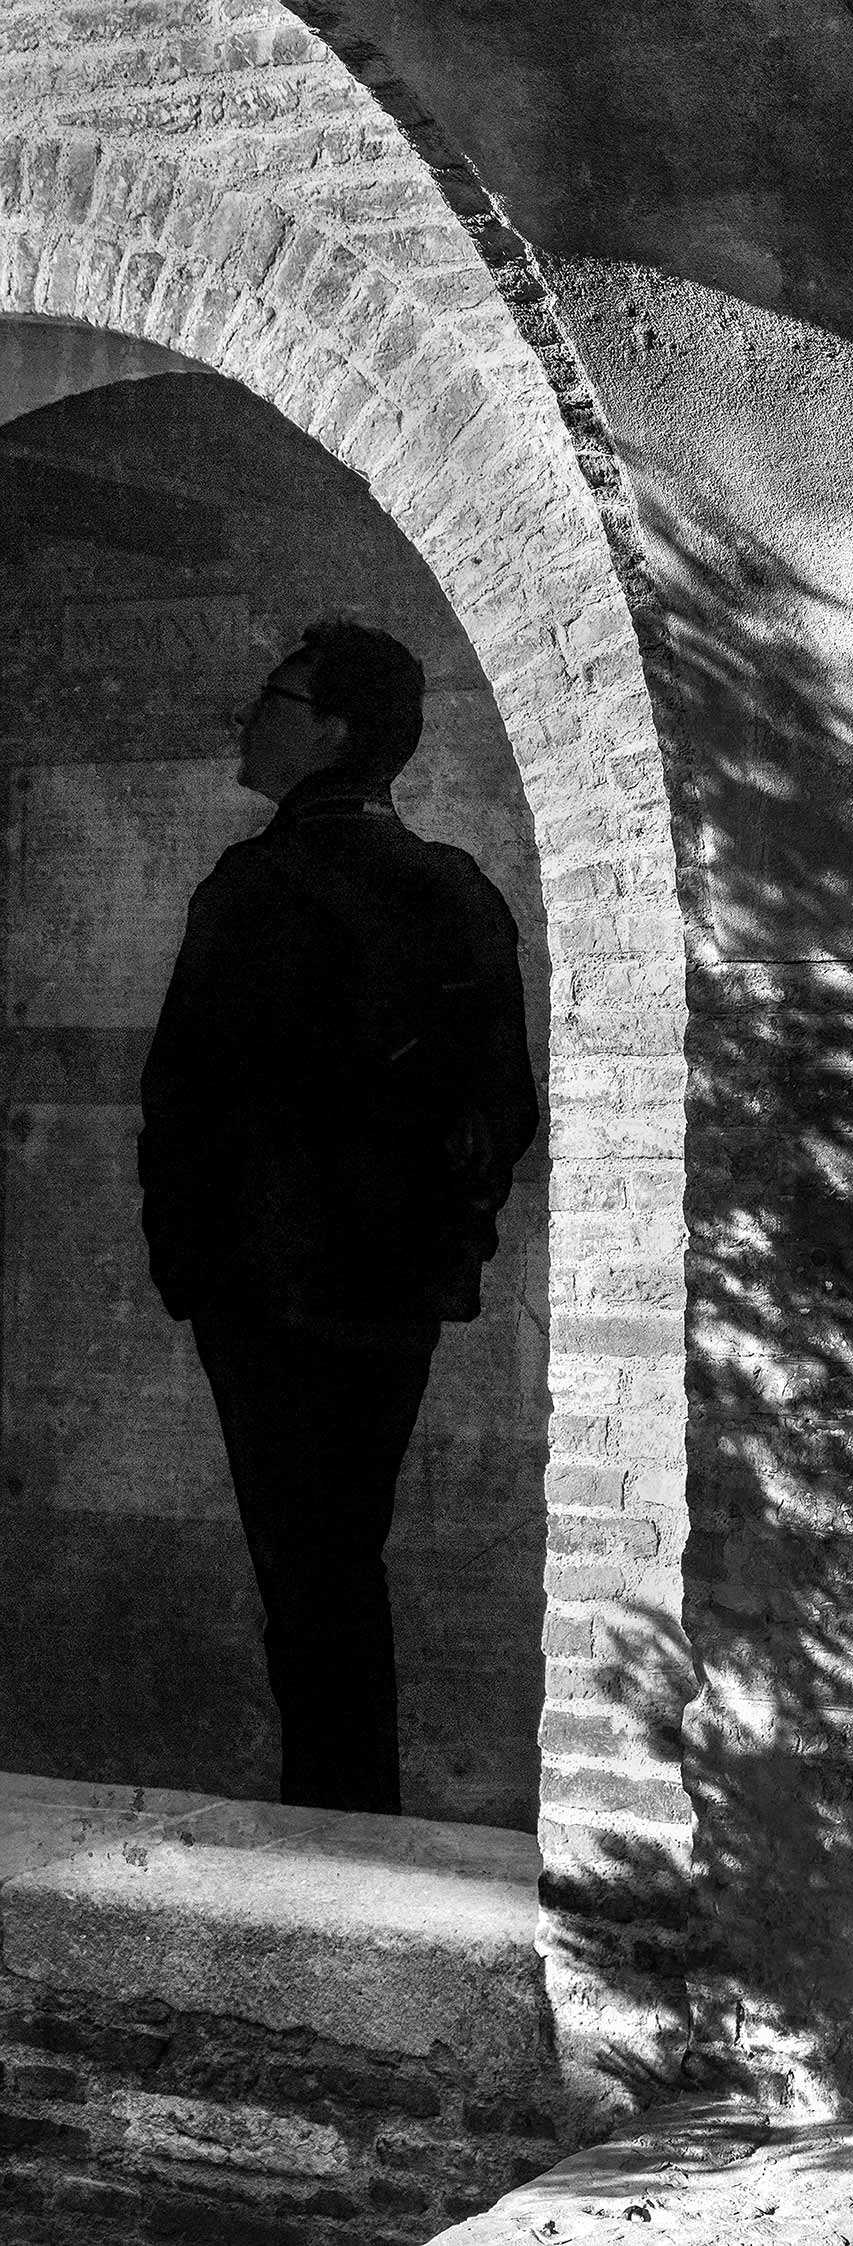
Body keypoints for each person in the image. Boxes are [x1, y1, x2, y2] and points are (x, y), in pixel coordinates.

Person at [138, 620, 538, 1814]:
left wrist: (197, 1265)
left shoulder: (255, 890)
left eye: (276, 697)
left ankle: (337, 1824)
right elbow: (502, 1114)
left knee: (307, 1575)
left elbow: (184, 1104)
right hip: (389, 1295)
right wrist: (437, 1241)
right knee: (335, 1562)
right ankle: (347, 1819)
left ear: (332, 733)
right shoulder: (456, 892)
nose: (247, 718)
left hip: (268, 1298)